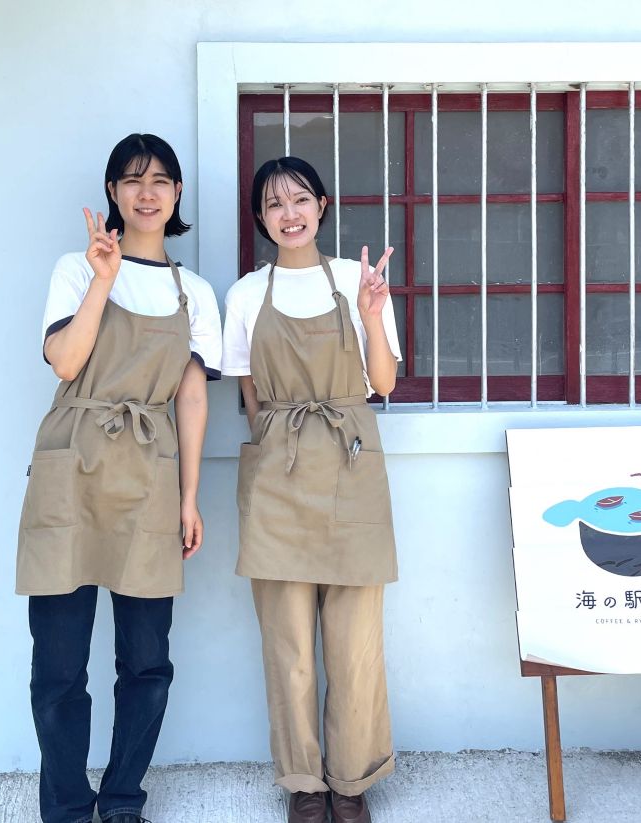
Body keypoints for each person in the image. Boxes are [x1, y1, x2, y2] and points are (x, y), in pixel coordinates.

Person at [16, 133, 222, 823]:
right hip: (69, 469)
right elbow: (67, 363)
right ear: (112, 192)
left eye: (161, 179)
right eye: (132, 180)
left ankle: (124, 799)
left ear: (178, 195)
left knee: (145, 661)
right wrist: (103, 281)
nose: (147, 191)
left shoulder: (192, 291)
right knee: (59, 667)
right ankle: (69, 806)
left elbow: (191, 398)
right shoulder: (78, 269)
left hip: (149, 476)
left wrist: (191, 497)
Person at [222, 156, 402, 823]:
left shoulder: (359, 280)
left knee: (355, 640)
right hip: (279, 473)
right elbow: (250, 394)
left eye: (299, 199)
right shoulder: (245, 295)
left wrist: (373, 313)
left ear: (322, 206)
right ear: (261, 218)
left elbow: (382, 383)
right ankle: (304, 780)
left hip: (352, 466)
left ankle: (350, 780)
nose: (288, 213)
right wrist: (275, 455)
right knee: (287, 639)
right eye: (273, 204)